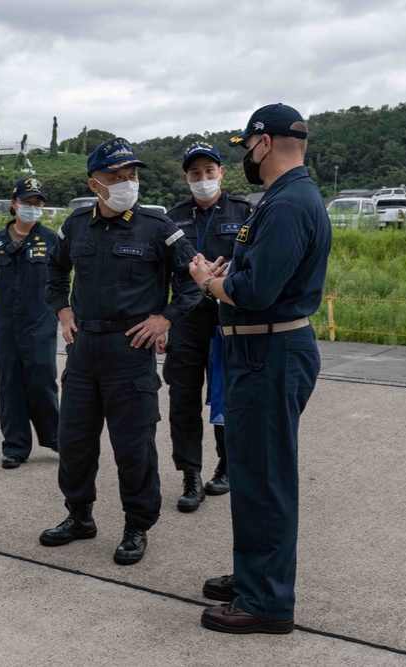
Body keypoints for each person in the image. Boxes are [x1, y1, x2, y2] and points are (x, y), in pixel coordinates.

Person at [189, 104, 330, 633]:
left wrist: (209, 281)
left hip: (271, 354)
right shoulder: (281, 199)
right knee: (251, 474)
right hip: (258, 350)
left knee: (266, 478)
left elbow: (255, 292)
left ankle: (266, 603)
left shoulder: (289, 203)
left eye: (246, 147)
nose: (246, 157)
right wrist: (230, 275)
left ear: (264, 143)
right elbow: (257, 275)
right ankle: (255, 574)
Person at [40, 138, 200, 565]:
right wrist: (62, 309)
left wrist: (165, 319)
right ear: (96, 184)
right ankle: (79, 517)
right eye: (117, 177)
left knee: (134, 448)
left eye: (132, 175)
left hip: (130, 353)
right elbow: (55, 270)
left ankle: (136, 526)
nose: (128, 183)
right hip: (83, 351)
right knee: (74, 443)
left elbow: (192, 282)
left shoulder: (159, 228)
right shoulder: (75, 226)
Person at [163, 141, 252, 512]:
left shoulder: (245, 212)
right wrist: (161, 320)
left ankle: (227, 466)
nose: (203, 179)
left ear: (221, 173)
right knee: (182, 400)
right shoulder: (172, 218)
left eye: (209, 172)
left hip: (227, 322)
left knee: (226, 397)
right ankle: (190, 475)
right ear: (186, 177)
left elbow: (253, 265)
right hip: (185, 321)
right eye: (195, 173)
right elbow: (160, 272)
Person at [0, 177, 60, 469]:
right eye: (27, 202)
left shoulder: (51, 239)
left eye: (37, 203)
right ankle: (15, 446)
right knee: (9, 384)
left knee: (42, 380)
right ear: (14, 204)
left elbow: (61, 278)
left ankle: (55, 438)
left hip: (40, 319)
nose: (32, 207)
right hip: (5, 322)